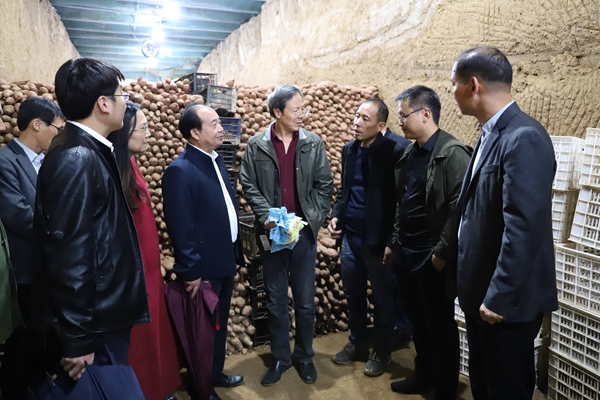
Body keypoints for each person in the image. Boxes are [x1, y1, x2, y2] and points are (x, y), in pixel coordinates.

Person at [32, 57, 150, 393]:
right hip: (96, 324)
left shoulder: (91, 150)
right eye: (122, 95)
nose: (126, 103)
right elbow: (70, 254)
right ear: (103, 104)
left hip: (102, 315)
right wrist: (78, 338)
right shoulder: (77, 157)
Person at [452, 46, 557, 400]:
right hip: (481, 293)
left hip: (504, 304)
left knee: (505, 388)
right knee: (485, 383)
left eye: (454, 84)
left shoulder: (523, 137)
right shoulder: (490, 133)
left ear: (473, 85)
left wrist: (498, 297)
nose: (452, 91)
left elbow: (523, 227)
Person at [240, 84, 333, 387]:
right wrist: (265, 215)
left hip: (302, 234)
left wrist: (312, 219)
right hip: (272, 234)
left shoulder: (312, 143)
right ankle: (281, 357)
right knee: (276, 300)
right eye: (296, 110)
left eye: (303, 109)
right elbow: (248, 183)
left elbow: (324, 185)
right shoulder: (257, 145)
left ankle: (304, 356)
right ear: (278, 112)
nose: (302, 115)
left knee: (305, 301)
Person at [390, 86, 471, 399]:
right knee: (418, 323)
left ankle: (446, 387)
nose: (400, 122)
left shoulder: (452, 154)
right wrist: (396, 241)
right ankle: (423, 376)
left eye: (404, 115)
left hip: (431, 257)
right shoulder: (410, 154)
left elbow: (459, 209)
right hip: (407, 254)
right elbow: (403, 202)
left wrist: (440, 254)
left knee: (440, 325)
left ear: (425, 114)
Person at [162, 103, 244, 400]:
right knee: (202, 332)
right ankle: (202, 388)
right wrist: (191, 270)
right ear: (195, 133)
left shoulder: (215, 160)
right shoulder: (180, 170)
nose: (222, 129)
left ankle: (214, 373)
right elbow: (181, 227)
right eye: (214, 124)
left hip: (224, 260)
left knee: (218, 326)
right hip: (203, 268)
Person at [327, 98, 406, 377]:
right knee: (354, 295)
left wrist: (392, 242)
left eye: (365, 119)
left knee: (383, 298)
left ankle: (382, 350)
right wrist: (337, 214)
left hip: (377, 241)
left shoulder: (395, 151)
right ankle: (357, 342)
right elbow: (345, 190)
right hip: (350, 238)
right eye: (356, 116)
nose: (356, 123)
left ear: (381, 125)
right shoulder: (349, 149)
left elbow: (400, 201)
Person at [107, 103, 181, 400]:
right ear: (123, 133)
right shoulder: (113, 170)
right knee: (138, 340)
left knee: (153, 333)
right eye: (144, 128)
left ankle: (157, 388)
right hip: (134, 271)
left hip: (148, 267)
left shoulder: (130, 163)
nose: (149, 134)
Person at [0, 97, 65, 399]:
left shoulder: (47, 162)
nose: (58, 135)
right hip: (24, 273)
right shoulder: (5, 161)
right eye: (57, 128)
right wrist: (62, 233)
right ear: (37, 125)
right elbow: (18, 214)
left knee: (43, 345)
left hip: (46, 270)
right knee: (22, 347)